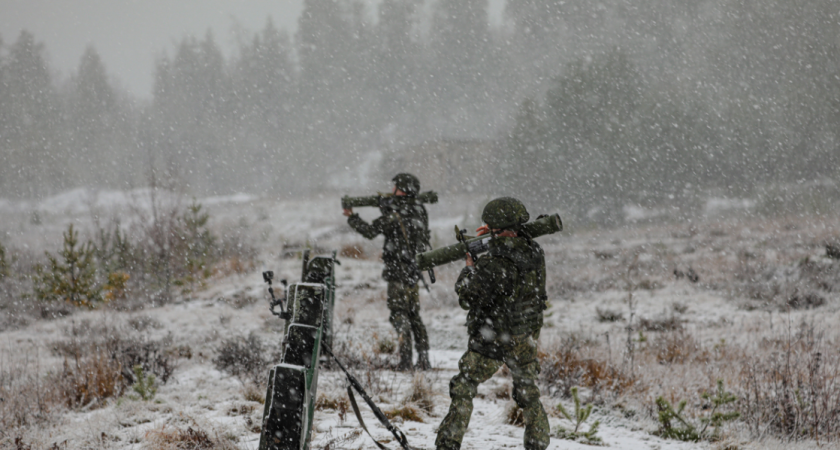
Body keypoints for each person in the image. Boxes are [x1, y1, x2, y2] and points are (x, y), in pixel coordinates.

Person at [435, 197, 550, 450]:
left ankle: (448, 443)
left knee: (464, 386)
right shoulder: (534, 251)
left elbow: (468, 296)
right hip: (525, 336)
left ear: (496, 226)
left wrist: (469, 267)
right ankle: (537, 445)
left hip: (494, 337)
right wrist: (494, 240)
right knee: (528, 393)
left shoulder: (494, 263)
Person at [342, 173, 431, 371]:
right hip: (414, 271)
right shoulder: (419, 210)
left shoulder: (396, 214)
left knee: (399, 314)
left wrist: (352, 217)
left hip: (397, 272)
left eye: (396, 187)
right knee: (414, 315)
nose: (392, 190)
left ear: (404, 190)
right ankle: (424, 358)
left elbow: (370, 231)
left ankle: (406, 360)